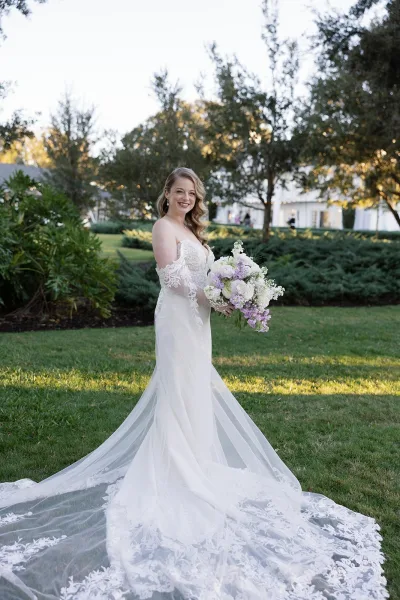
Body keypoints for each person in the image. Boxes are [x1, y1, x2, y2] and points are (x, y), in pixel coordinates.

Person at [0, 167, 388, 600]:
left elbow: (204, 276)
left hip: (198, 321)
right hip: (177, 320)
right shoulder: (163, 226)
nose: (185, 198)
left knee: (195, 388)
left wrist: (228, 293)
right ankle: (176, 467)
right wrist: (218, 296)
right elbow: (172, 278)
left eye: (191, 193)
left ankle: (195, 459)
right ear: (166, 193)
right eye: (179, 192)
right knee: (180, 387)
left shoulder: (192, 229)